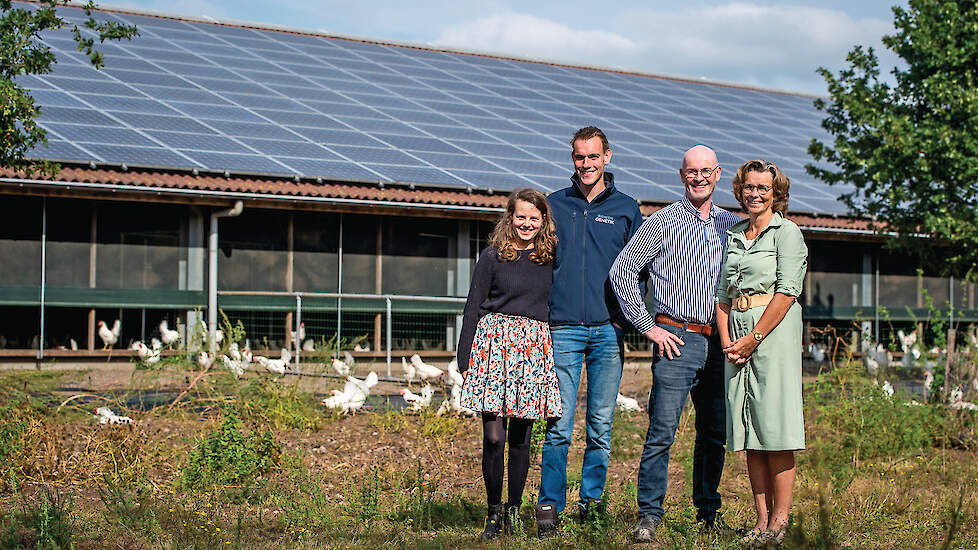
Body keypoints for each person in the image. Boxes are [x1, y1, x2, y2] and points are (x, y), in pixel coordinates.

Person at [609, 145, 741, 542]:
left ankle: (708, 513)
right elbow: (623, 272)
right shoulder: (661, 222)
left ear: (718, 174)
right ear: (681, 176)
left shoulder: (733, 227)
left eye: (706, 171)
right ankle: (649, 515)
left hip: (721, 342)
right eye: (691, 172)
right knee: (662, 431)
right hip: (676, 339)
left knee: (714, 432)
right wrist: (648, 327)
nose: (698, 178)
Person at [536, 126, 644, 536]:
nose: (586, 164)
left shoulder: (626, 208)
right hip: (562, 328)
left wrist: (625, 318)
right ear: (572, 159)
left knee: (600, 424)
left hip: (607, 330)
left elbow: (641, 267)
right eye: (579, 157)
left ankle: (592, 502)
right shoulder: (554, 205)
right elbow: (537, 260)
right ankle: (550, 504)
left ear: (608, 157)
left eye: (593, 156)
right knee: (558, 423)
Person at [457, 187, 563, 541]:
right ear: (510, 217)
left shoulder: (549, 257)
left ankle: (514, 512)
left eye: (534, 218)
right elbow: (473, 305)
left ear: (543, 221)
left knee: (521, 437)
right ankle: (493, 511)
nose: (527, 224)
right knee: (493, 436)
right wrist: (464, 355)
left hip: (531, 348)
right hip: (492, 346)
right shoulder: (492, 256)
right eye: (520, 217)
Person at [715, 160, 808, 548]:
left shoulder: (786, 233)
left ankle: (781, 520)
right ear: (741, 190)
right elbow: (721, 296)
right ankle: (761, 519)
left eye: (763, 188)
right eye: (749, 187)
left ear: (776, 193)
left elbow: (788, 291)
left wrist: (753, 337)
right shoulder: (735, 235)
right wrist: (728, 343)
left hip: (773, 334)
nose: (755, 194)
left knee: (775, 428)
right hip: (736, 337)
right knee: (749, 429)